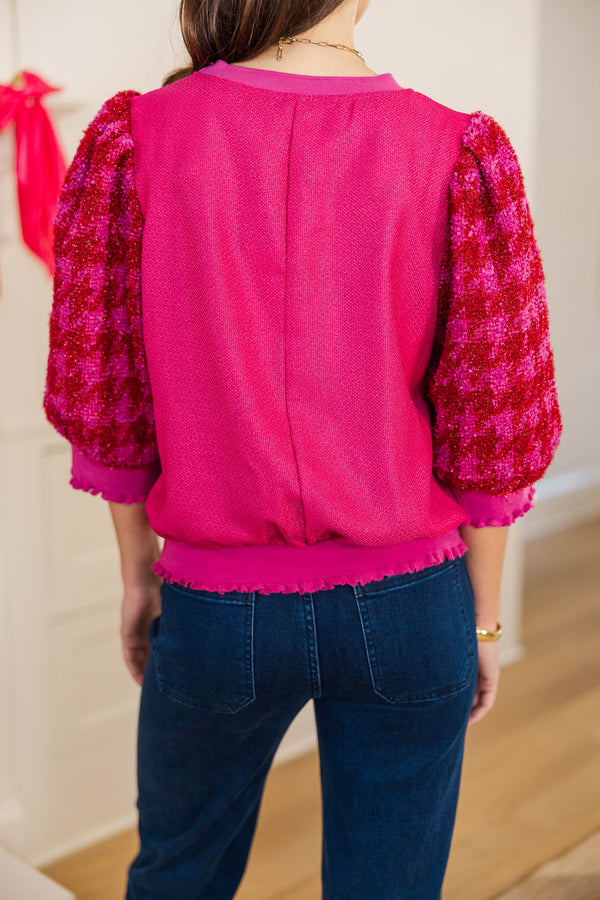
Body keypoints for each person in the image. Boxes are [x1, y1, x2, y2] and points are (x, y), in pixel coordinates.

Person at [42, 0, 563, 897]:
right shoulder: (457, 149)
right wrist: (479, 618)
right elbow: (493, 417)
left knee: (177, 872)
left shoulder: (136, 137)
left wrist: (137, 577)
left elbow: (108, 390)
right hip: (410, 605)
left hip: (213, 606)